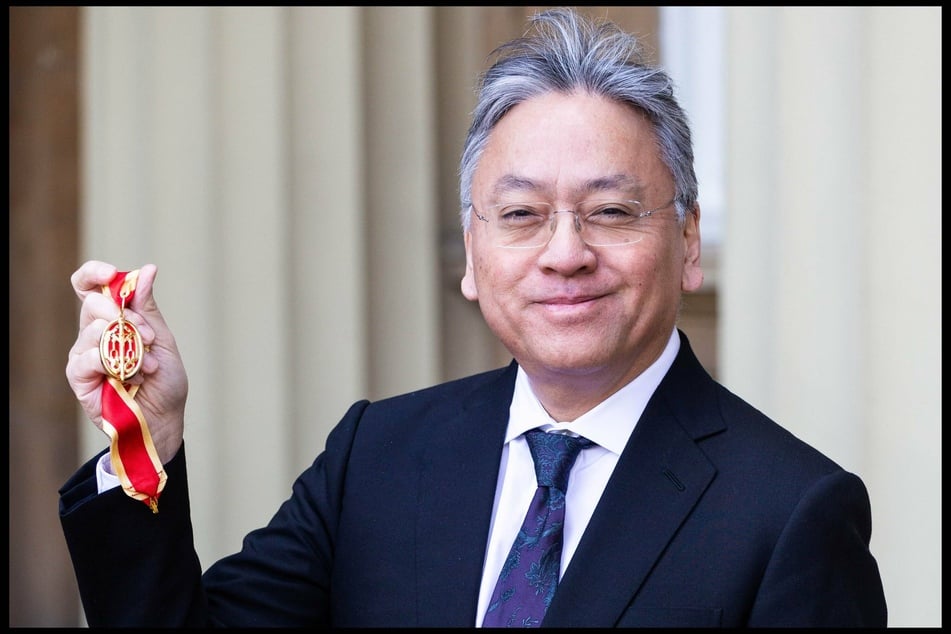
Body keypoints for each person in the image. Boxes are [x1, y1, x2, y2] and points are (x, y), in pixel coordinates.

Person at [60, 7, 887, 627]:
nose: (564, 254)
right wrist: (147, 441)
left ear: (686, 240)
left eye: (609, 211)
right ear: (471, 252)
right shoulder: (376, 458)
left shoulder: (792, 512)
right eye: (521, 215)